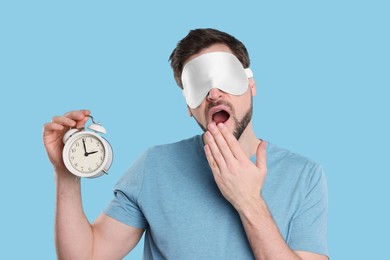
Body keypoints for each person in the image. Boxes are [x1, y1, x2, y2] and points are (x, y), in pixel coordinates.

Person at [43, 28, 328, 259]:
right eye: (199, 84)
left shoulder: (305, 176)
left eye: (225, 77)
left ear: (250, 85)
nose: (214, 93)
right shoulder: (154, 167)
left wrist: (248, 201)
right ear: (189, 106)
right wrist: (67, 174)